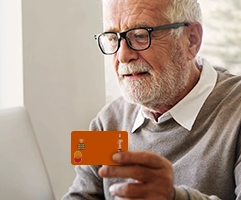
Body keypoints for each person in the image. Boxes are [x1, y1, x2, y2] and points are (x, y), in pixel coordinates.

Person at [62, 0, 241, 199]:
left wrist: (173, 197)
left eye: (140, 35)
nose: (122, 56)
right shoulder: (106, 122)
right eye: (113, 38)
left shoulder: (236, 111)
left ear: (192, 40)